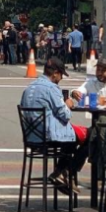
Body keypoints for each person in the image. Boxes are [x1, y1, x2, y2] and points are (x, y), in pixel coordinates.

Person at [19, 57, 87, 193]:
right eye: (61, 74)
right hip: (50, 136)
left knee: (71, 140)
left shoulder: (28, 89)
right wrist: (67, 104)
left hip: (32, 137)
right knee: (91, 136)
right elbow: (65, 115)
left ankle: (61, 172)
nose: (61, 78)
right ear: (55, 73)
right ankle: (65, 172)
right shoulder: (51, 89)